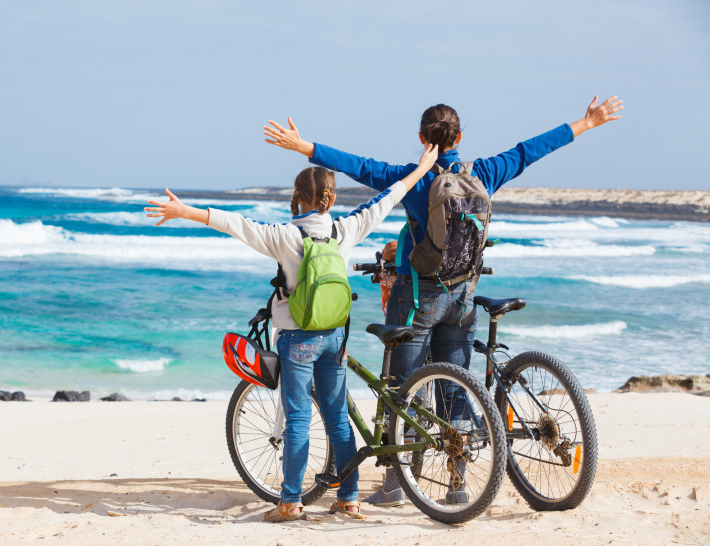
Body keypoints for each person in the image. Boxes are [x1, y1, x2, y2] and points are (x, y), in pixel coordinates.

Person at [264, 95, 623, 506]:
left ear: (421, 137)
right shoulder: (483, 172)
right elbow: (528, 151)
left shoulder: (414, 177)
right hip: (464, 298)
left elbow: (359, 166)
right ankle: (458, 486)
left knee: (407, 389)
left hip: (419, 299)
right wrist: (584, 122)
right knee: (454, 388)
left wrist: (305, 147)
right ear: (460, 137)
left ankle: (399, 484)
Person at [144, 142, 441, 521]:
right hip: (336, 336)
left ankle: (290, 501)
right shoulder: (344, 229)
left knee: (299, 418)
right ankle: (349, 497)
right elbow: (388, 198)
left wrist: (184, 210)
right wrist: (421, 168)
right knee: (337, 418)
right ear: (329, 198)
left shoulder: (285, 236)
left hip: (297, 339)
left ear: (298, 199)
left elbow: (236, 225)